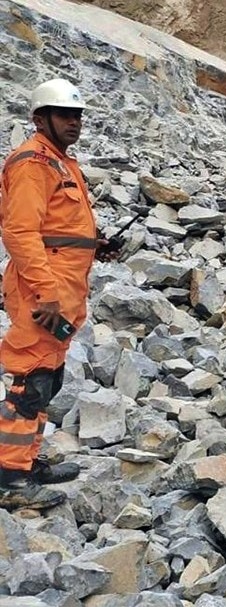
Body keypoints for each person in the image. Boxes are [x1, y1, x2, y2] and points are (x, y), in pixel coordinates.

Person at [0, 78, 117, 510]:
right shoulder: (33, 163)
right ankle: (9, 477)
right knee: (30, 379)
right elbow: (20, 232)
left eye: (78, 115)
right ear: (39, 118)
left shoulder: (61, 163)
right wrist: (46, 293)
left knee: (48, 375)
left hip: (64, 286)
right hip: (42, 289)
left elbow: (58, 228)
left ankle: (26, 461)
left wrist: (95, 244)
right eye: (65, 114)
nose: (75, 122)